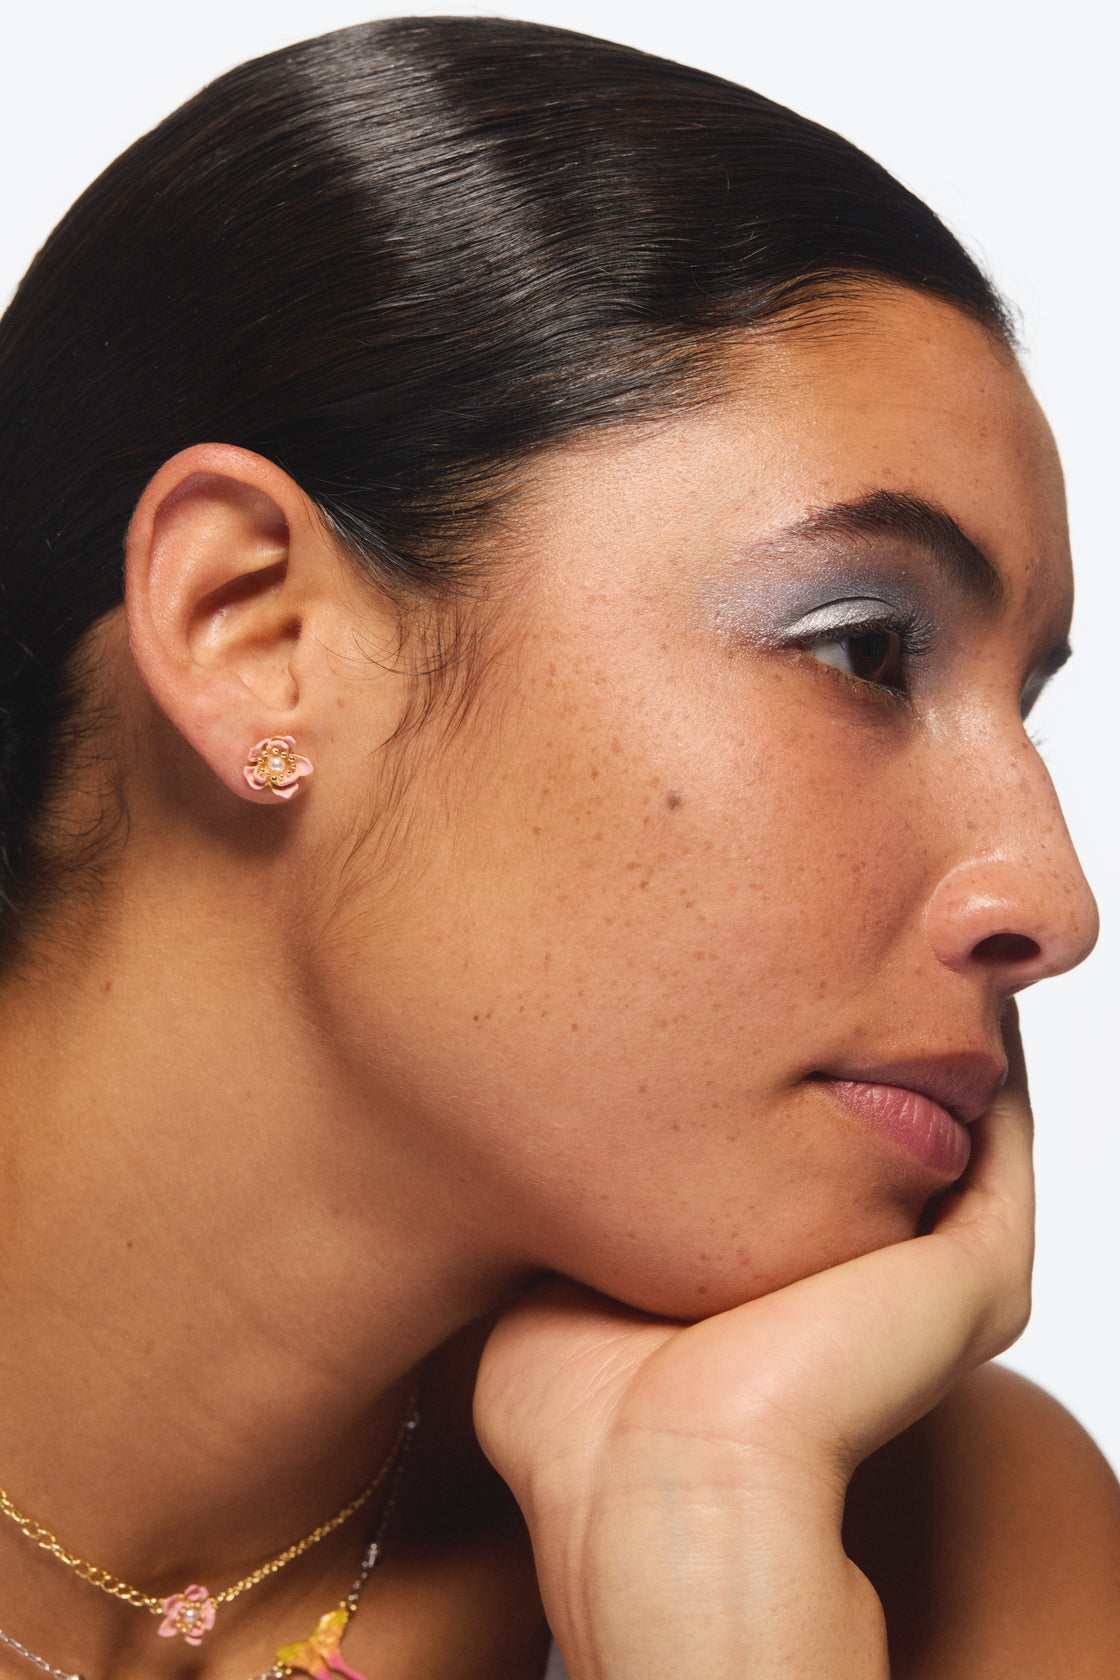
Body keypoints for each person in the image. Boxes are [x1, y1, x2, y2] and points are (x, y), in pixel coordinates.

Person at [0, 15, 1116, 1679]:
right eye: (866, 649)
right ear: (255, 633)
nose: (1053, 903)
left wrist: (712, 1550)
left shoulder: (940, 1545)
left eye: (1022, 705)